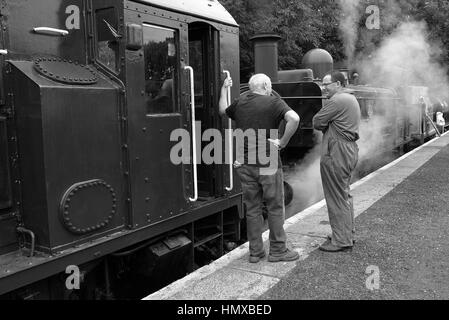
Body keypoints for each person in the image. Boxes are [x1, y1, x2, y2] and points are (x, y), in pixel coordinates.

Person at [219, 73, 301, 263]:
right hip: (267, 163)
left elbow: (222, 111)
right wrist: (282, 142)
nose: (271, 89)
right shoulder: (273, 102)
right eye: (270, 86)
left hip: (245, 163)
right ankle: (278, 251)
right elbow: (294, 119)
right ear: (265, 86)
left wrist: (224, 89)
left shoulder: (240, 102)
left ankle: (255, 252)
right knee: (274, 207)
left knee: (252, 209)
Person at [313, 71, 361, 253]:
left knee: (335, 196)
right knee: (344, 194)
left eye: (327, 84)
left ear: (339, 84)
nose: (324, 88)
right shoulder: (350, 98)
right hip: (348, 149)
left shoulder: (337, 100)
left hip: (337, 151)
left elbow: (316, 121)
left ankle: (341, 240)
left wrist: (326, 124)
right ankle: (347, 233)